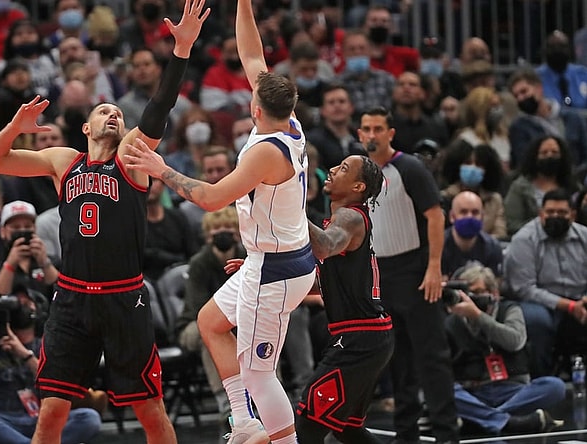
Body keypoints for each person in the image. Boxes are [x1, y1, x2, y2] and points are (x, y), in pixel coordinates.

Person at [0, 2, 209, 443]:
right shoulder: (65, 161)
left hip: (124, 301)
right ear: (86, 128)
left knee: (151, 411)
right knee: (51, 414)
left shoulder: (131, 158)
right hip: (71, 301)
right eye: (103, 112)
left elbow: (158, 107)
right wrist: (16, 124)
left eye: (117, 113)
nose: (114, 116)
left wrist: (181, 50)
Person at [125, 0, 316, 442]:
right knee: (211, 321)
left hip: (277, 268)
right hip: (268, 258)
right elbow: (252, 54)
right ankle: (244, 421)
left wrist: (161, 169)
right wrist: (243, 4)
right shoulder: (286, 119)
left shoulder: (269, 151)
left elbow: (210, 200)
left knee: (261, 375)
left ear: (254, 107)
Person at [362, 107, 460, 444]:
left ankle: (447, 434)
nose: (371, 134)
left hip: (416, 273)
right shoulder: (361, 172)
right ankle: (406, 435)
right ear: (359, 135)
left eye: (378, 128)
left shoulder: (410, 168)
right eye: (366, 129)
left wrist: (434, 267)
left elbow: (436, 217)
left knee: (432, 358)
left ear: (390, 133)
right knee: (398, 361)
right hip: (383, 275)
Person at [294, 154, 391, 444]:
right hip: (368, 336)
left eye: (344, 169)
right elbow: (317, 274)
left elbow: (322, 248)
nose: (333, 169)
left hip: (359, 338)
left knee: (308, 421)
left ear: (358, 187)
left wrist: (292, 209)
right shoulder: (341, 220)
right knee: (347, 429)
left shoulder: (349, 217)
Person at [0, 289, 103, 444]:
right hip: (6, 422)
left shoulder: (48, 345)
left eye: (26, 303)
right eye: (17, 303)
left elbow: (60, 387)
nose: (21, 307)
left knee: (89, 418)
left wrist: (25, 355)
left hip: (46, 419)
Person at [445, 264, 566, 434]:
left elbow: (514, 341)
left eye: (478, 292)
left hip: (512, 389)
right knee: (444, 389)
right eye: (468, 293)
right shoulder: (452, 321)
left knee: (555, 386)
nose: (472, 298)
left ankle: (484, 420)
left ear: (493, 293)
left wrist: (478, 316)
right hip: (474, 391)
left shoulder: (509, 309)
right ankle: (508, 421)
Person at [504, 188, 587, 377]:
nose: (555, 216)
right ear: (541, 214)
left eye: (562, 213)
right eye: (550, 212)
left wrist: (584, 301)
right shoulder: (524, 239)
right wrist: (569, 306)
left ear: (573, 215)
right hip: (539, 303)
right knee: (537, 321)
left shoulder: (585, 237)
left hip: (579, 300)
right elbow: (524, 289)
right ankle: (542, 379)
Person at [175, 207, 246, 421]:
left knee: (260, 328)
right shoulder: (199, 263)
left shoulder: (246, 257)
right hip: (193, 326)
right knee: (211, 332)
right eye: (217, 229)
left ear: (238, 232)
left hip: (238, 322)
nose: (222, 233)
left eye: (228, 228)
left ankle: (266, 395)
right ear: (207, 235)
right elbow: (200, 309)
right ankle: (226, 404)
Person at [441, 191, 504, 279]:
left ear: (482, 216)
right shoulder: (438, 247)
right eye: (463, 212)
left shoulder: (493, 247)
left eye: (475, 212)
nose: (469, 217)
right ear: (452, 216)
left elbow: (495, 287)